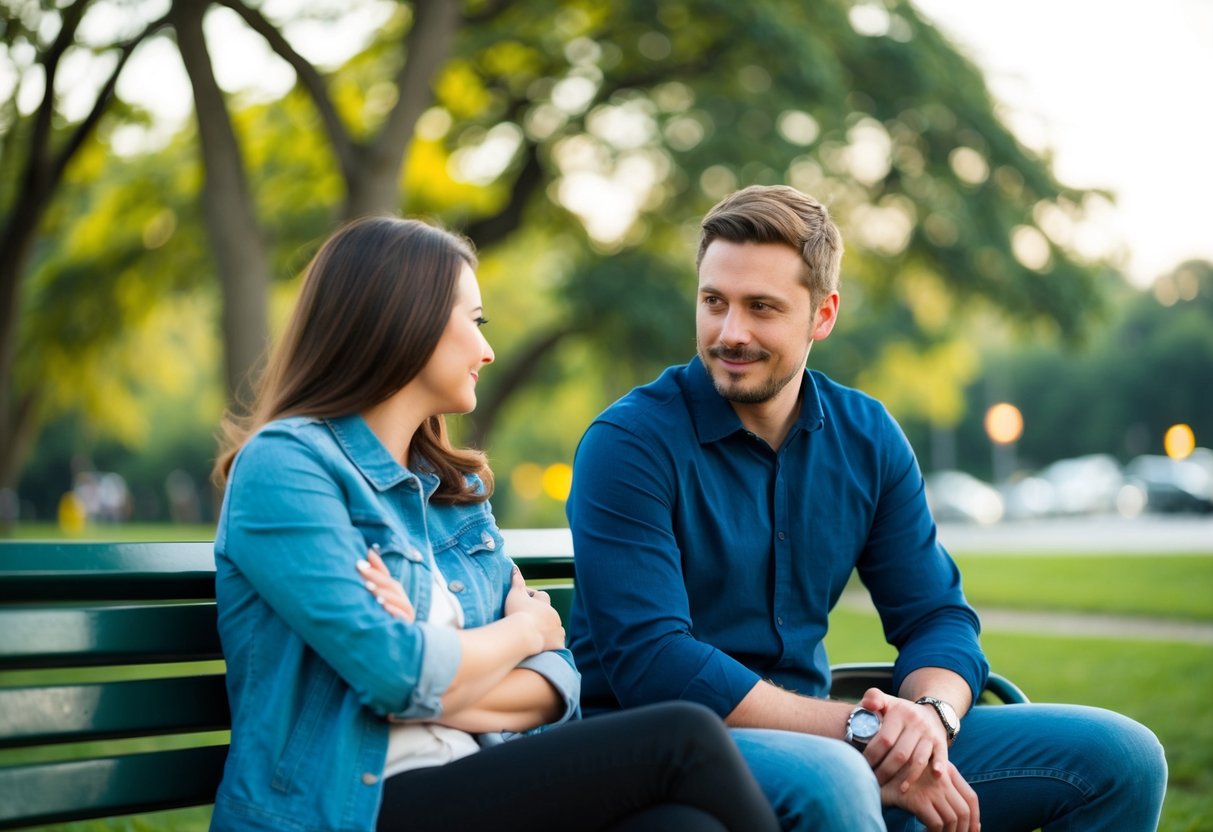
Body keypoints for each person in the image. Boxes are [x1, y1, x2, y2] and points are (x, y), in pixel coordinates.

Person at [565, 185, 1168, 832]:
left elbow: (935, 616)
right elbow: (654, 666)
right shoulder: (628, 444)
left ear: (822, 316)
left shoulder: (866, 436)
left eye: (761, 308)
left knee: (1121, 758)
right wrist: (861, 731)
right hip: (667, 750)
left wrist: (927, 721)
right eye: (713, 302)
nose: (729, 332)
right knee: (836, 780)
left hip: (830, 738)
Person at [209, 215, 780, 832]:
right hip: (355, 807)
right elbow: (401, 671)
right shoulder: (288, 466)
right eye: (474, 321)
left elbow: (559, 682)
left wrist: (439, 681)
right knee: (685, 735)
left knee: (681, 828)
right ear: (407, 318)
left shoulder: (453, 492)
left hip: (471, 781)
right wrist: (524, 631)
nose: (486, 348)